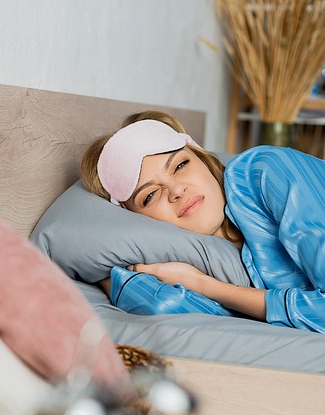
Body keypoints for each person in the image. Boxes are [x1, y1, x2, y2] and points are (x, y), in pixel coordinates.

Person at [80, 111, 325, 333]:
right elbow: (162, 305)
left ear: (202, 159)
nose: (176, 190)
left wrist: (204, 285)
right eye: (151, 195)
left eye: (180, 165)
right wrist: (105, 276)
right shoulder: (210, 261)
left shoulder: (268, 171)